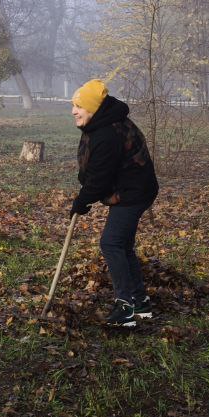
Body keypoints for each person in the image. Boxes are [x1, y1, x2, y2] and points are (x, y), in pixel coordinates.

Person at [69, 79, 160, 329]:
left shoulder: (107, 133)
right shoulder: (102, 122)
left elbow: (99, 178)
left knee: (111, 243)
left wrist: (81, 201)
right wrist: (85, 192)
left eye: (79, 106)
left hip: (133, 193)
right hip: (133, 189)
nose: (74, 111)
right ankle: (140, 303)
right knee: (122, 245)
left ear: (92, 107)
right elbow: (96, 169)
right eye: (73, 106)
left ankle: (125, 308)